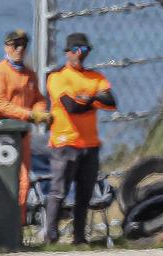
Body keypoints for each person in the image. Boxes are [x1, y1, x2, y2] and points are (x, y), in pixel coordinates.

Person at [44, 32, 117, 244]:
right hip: (65, 144)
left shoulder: (96, 77)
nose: (81, 55)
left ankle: (79, 239)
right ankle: (51, 238)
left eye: (85, 50)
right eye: (77, 50)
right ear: (68, 52)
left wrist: (88, 98)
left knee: (84, 195)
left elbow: (111, 102)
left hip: (90, 145)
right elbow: (71, 107)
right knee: (59, 192)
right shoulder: (57, 77)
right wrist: (94, 100)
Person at [0, 29, 51, 222]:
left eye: (23, 45)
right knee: (6, 181)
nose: (20, 49)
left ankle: (16, 227)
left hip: (22, 135)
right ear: (7, 47)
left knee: (23, 181)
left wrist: (40, 112)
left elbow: (38, 98)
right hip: (0, 135)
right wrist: (30, 115)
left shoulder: (29, 75)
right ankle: (3, 225)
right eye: (15, 45)